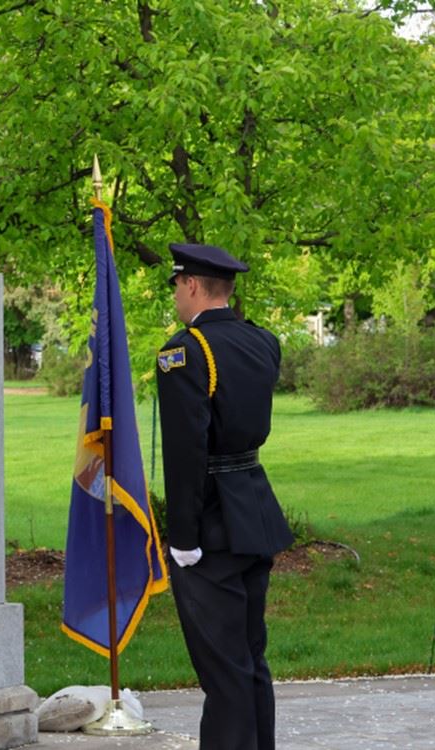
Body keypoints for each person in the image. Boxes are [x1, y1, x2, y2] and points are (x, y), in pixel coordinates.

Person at [155, 243, 294, 750]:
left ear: (192, 284)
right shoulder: (263, 341)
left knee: (225, 671)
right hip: (254, 508)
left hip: (211, 523)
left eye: (176, 285)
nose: (175, 295)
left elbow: (186, 451)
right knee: (251, 658)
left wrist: (183, 536)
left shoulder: (184, 352)